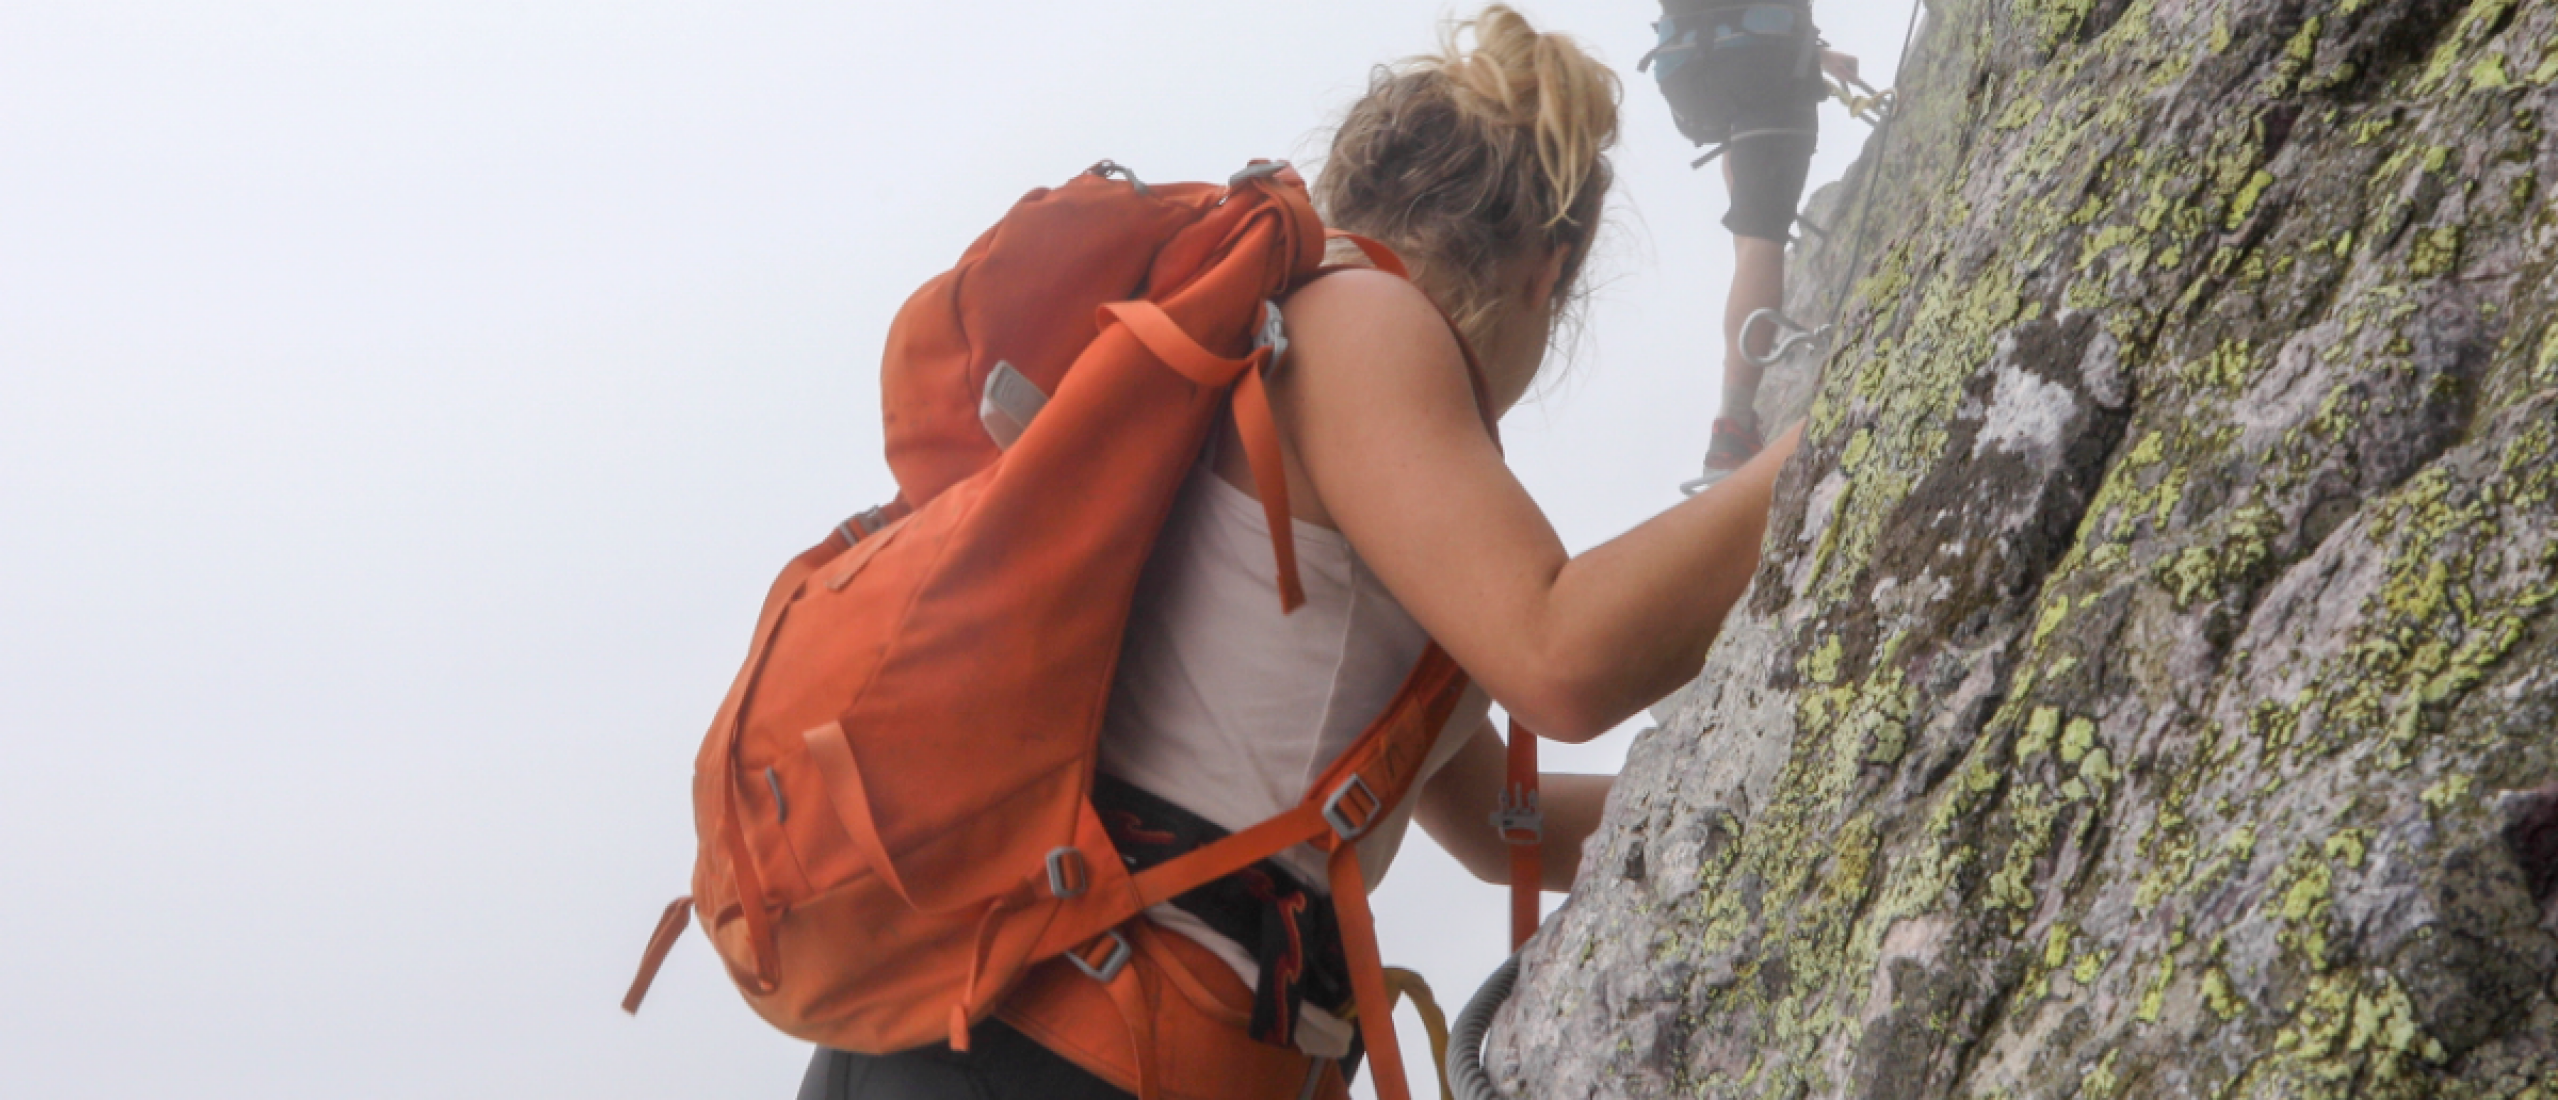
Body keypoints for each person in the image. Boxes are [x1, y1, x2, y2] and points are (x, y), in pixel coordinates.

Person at [798, 7, 1800, 1098]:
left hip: (999, 1034)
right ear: (1543, 273)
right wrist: (1833, 437)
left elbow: (1491, 830)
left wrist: (1751, 788)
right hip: (1068, 1049)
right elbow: (1560, 654)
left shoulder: (1282, 378)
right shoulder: (1359, 317)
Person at [1642, 0, 1857, 483]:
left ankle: (1755, 234)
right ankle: (1733, 427)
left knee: (1753, 229)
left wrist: (1815, 54)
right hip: (1763, 60)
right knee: (1763, 237)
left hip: (1690, 69)